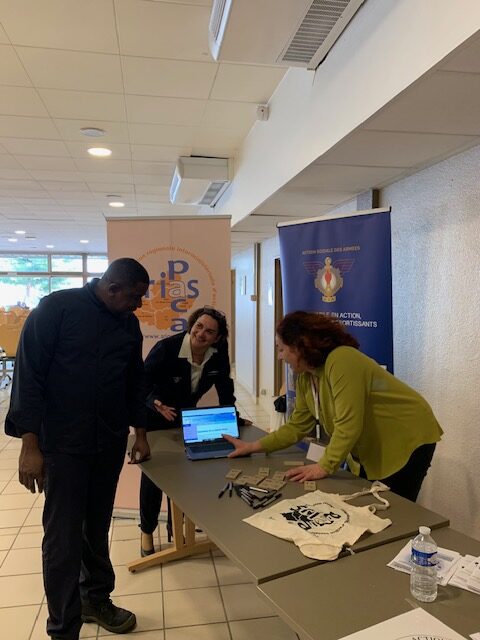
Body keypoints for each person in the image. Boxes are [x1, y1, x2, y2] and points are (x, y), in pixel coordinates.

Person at [5, 258, 152, 640]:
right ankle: (63, 626)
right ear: (113, 287)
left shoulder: (128, 323)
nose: (139, 305)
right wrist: (29, 445)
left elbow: (134, 380)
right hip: (63, 446)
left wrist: (141, 432)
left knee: (96, 529)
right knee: (62, 538)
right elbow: (29, 376)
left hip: (107, 443)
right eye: (135, 297)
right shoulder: (57, 309)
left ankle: (96, 599)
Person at [223, 311, 443, 502]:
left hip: (408, 436)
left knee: (395, 510)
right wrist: (252, 447)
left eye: (282, 349)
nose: (280, 357)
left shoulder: (342, 359)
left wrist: (324, 466)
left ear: (300, 345)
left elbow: (348, 424)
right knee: (372, 504)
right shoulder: (305, 378)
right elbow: (296, 427)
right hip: (375, 443)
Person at [140, 306, 249, 555]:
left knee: (184, 474)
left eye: (209, 331)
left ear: (217, 338)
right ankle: (146, 532)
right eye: (199, 326)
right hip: (155, 418)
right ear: (192, 324)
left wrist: (234, 418)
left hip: (185, 419)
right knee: (154, 478)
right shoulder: (167, 348)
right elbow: (142, 382)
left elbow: (225, 387)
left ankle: (176, 528)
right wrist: (156, 403)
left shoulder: (218, 353)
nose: (201, 334)